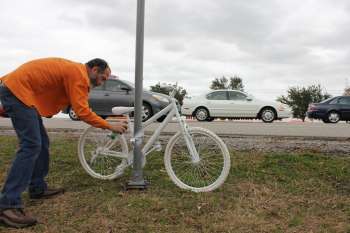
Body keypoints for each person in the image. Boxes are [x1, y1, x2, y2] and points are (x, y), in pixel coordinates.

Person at [0, 57, 128, 228]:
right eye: (103, 78)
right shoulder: (79, 75)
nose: (102, 83)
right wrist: (109, 125)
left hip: (20, 91)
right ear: (95, 70)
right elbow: (82, 111)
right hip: (18, 91)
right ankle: (7, 205)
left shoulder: (75, 71)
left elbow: (73, 100)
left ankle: (37, 188)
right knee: (31, 145)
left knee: (41, 142)